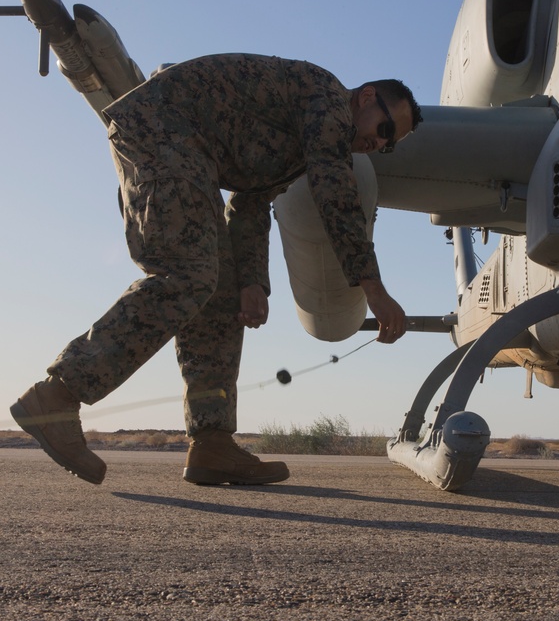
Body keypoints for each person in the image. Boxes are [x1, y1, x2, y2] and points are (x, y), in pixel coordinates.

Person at [9, 53, 422, 486]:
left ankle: (212, 442)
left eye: (390, 144)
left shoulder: (303, 136)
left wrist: (250, 282)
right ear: (367, 97)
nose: (381, 144)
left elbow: (250, 202)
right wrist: (373, 288)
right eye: (385, 129)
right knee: (188, 274)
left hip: (186, 154)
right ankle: (57, 397)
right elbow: (334, 190)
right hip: (163, 134)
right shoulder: (327, 100)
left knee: (220, 291)